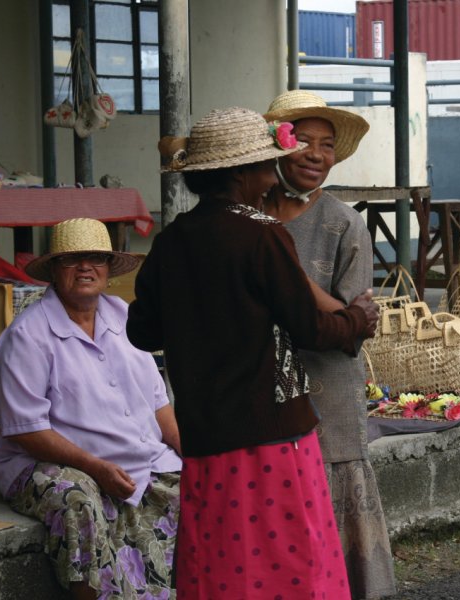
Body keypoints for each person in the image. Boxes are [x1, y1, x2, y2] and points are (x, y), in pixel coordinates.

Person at [127, 106, 380, 599]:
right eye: (268, 161)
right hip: (271, 432)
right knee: (287, 558)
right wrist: (356, 321)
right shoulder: (263, 235)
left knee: (222, 554)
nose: (274, 170)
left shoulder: (173, 239)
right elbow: (309, 327)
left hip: (205, 431)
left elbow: (142, 331)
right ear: (243, 173)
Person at [0, 217, 182, 600]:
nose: (85, 268)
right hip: (46, 465)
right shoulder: (28, 334)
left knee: (198, 491)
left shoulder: (124, 316)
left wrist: (190, 452)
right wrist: (95, 467)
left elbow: (158, 403)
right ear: (54, 272)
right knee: (79, 501)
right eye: (71, 260)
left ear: (108, 269)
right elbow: (27, 429)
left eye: (95, 258)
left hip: (133, 457)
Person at [264, 89, 397, 599]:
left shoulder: (346, 223)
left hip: (327, 391)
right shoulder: (247, 215)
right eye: (303, 141)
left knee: (330, 502)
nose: (316, 155)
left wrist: (285, 277)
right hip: (260, 389)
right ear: (276, 145)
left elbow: (350, 325)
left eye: (326, 145)